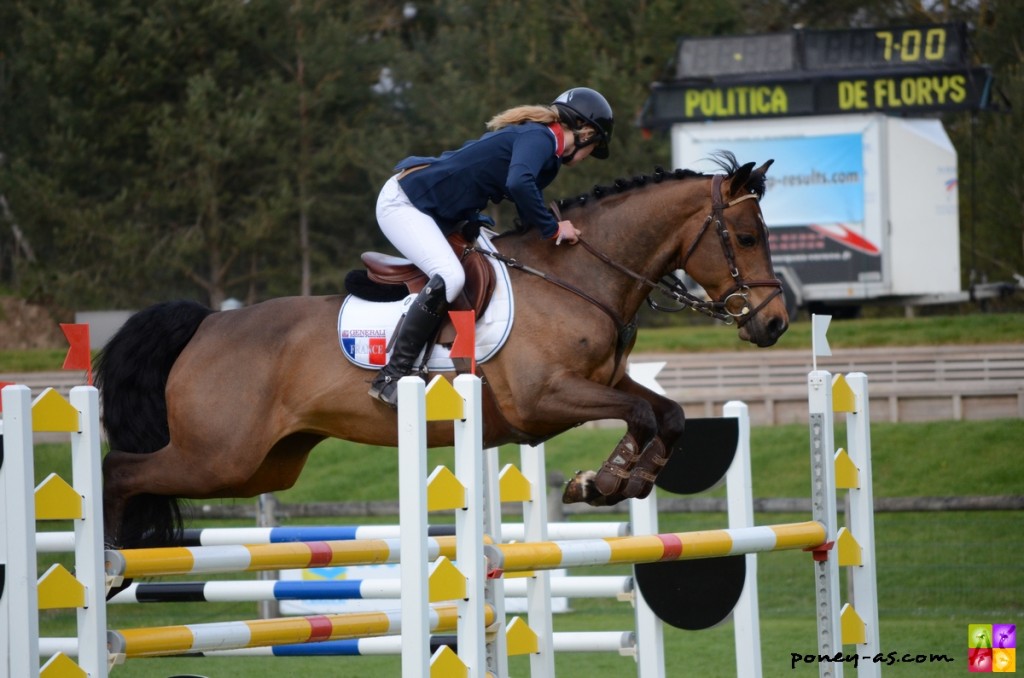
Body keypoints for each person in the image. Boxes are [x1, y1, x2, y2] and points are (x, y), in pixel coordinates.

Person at [369, 86, 614, 406]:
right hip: (404, 204)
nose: (586, 158)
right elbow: (518, 183)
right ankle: (391, 374)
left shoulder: (544, 147)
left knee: (492, 266)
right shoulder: (540, 138)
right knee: (451, 277)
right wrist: (553, 229)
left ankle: (469, 367)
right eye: (593, 148)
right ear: (585, 133)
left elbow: (518, 192)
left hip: (440, 212)